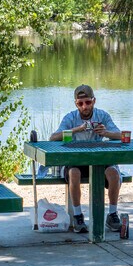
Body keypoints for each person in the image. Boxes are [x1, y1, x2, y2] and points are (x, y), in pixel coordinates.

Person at [49, 84, 123, 233]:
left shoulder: (102, 116)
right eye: (80, 103)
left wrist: (105, 133)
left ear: (94, 101)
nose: (84, 107)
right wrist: (76, 130)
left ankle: (112, 214)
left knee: (114, 173)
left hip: (99, 158)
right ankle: (78, 216)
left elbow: (121, 135)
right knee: (74, 173)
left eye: (88, 102)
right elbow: (53, 138)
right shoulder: (70, 118)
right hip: (76, 160)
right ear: (76, 103)